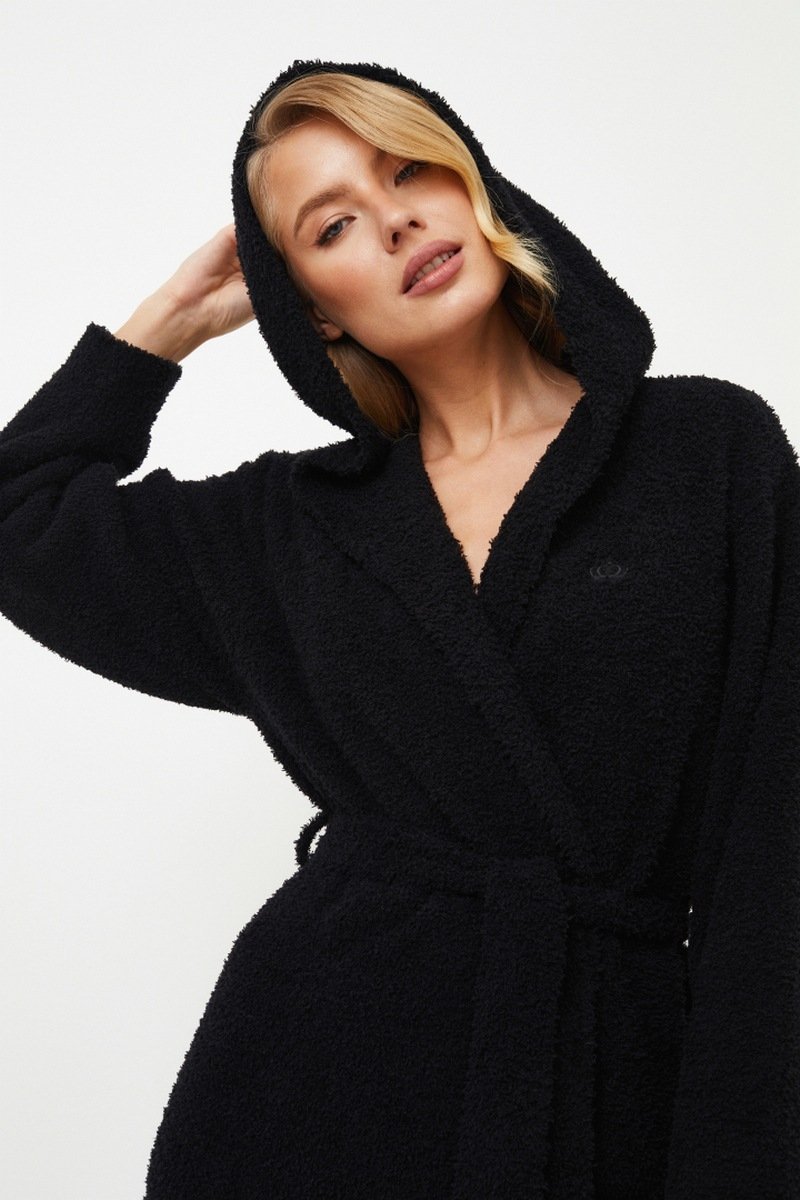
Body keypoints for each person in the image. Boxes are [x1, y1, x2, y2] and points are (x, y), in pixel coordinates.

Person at [1, 59, 798, 1200]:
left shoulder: (706, 453)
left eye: (410, 169)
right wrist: (167, 324)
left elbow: (772, 847)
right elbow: (19, 521)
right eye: (331, 226)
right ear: (312, 308)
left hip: (613, 1088)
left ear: (474, 186)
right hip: (310, 1087)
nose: (394, 221)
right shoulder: (285, 531)